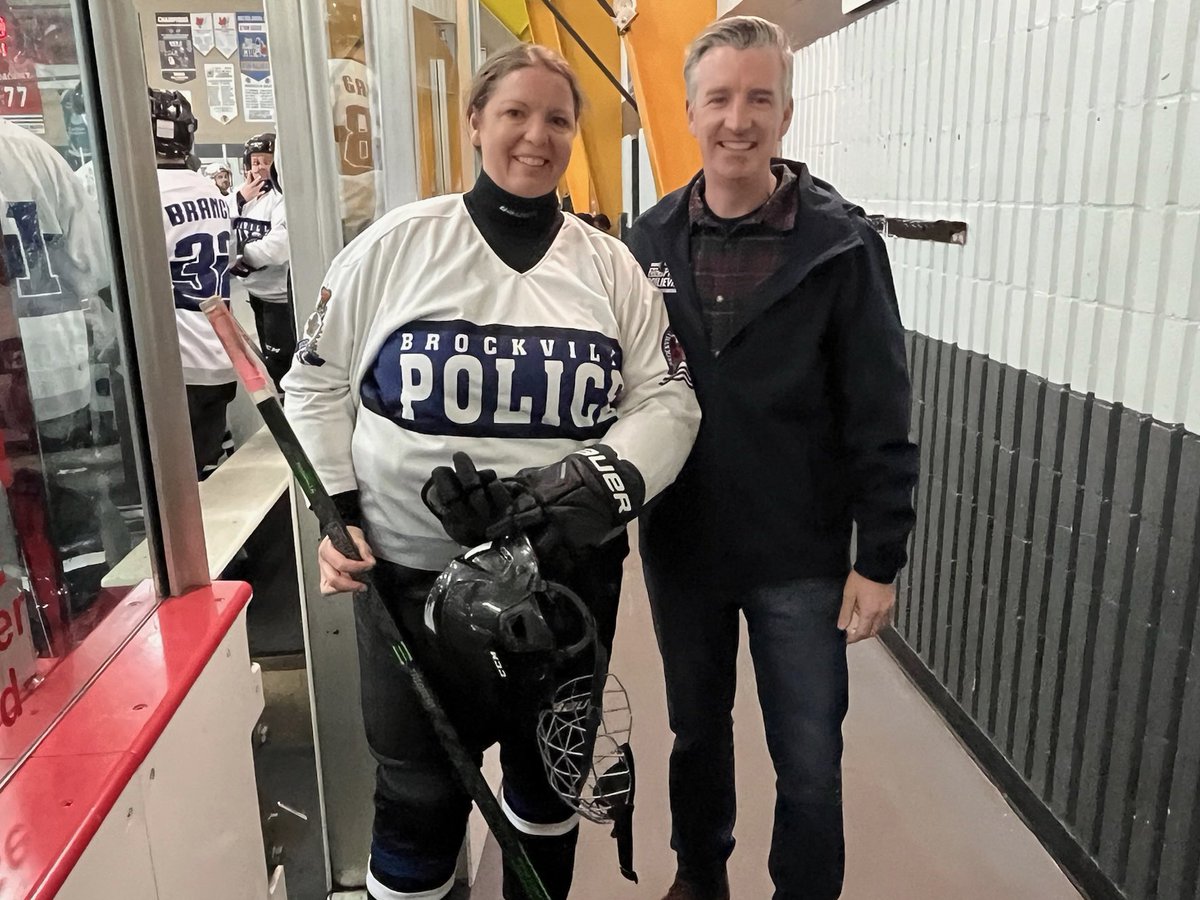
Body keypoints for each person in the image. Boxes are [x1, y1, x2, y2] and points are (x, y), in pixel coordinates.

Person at [283, 44, 699, 900]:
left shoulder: (609, 267)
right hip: (409, 583)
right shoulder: (395, 247)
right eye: (515, 113)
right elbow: (315, 385)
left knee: (547, 787)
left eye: (557, 119)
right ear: (475, 122)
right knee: (418, 803)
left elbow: (669, 397)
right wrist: (338, 511)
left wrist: (594, 483)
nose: (536, 136)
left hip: (564, 589)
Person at [625, 17, 919, 900]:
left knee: (810, 758)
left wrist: (879, 558)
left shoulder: (840, 246)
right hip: (685, 548)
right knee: (695, 735)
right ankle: (699, 877)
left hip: (802, 556)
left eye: (759, 98)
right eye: (719, 99)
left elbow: (881, 408)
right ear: (689, 111)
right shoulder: (647, 245)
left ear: (786, 113)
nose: (738, 119)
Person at [150, 88, 237, 479]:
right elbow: (229, 258)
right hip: (218, 351)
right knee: (206, 471)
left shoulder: (144, 192)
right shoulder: (211, 190)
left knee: (171, 482)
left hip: (176, 363)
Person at [231, 131, 293, 392]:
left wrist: (238, 257)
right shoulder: (241, 196)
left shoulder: (284, 198)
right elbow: (218, 227)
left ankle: (288, 405)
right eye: (255, 161)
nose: (259, 168)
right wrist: (238, 199)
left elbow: (278, 248)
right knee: (267, 358)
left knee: (282, 363)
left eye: (267, 161)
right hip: (255, 293)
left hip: (280, 299)